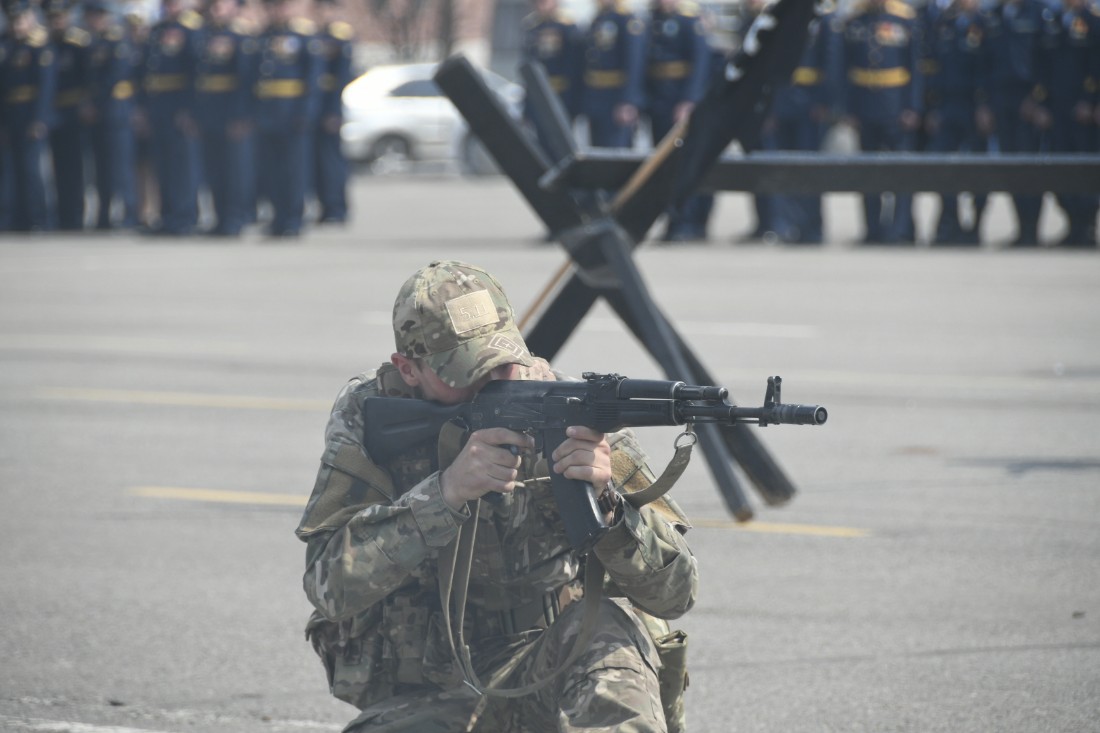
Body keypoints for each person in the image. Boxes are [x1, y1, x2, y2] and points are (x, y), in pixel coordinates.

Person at [296, 260, 697, 733]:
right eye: (466, 373)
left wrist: (608, 504)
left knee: (609, 626)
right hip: (431, 692)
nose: (493, 383)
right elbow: (329, 587)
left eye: (502, 362)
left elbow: (676, 594)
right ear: (408, 370)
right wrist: (443, 496)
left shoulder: (569, 409)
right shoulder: (369, 413)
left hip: (550, 671)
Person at [839, 0, 923, 245]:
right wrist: (848, 109)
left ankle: (901, 230)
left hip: (896, 106)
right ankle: (873, 229)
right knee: (868, 174)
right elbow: (846, 67)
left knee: (901, 173)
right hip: (864, 106)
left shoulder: (905, 18)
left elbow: (914, 68)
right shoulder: (855, 20)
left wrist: (913, 107)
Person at [923, 0, 993, 245]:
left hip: (975, 106)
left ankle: (976, 225)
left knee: (978, 170)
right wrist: (933, 107)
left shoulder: (986, 23)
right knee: (942, 166)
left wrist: (985, 105)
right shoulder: (945, 23)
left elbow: (990, 67)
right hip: (948, 105)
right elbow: (934, 68)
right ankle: (950, 221)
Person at [644, 0, 711, 242]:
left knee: (684, 162)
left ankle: (688, 222)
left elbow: (701, 62)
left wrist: (689, 100)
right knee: (664, 165)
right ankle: (673, 221)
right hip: (658, 101)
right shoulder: (653, 21)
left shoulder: (689, 21)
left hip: (679, 101)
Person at [254, 0, 321, 238]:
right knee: (271, 171)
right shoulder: (261, 38)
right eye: (271, 7)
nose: (276, 11)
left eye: (280, 6)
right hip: (267, 115)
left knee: (293, 171)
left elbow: (312, 80)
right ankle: (277, 218)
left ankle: (293, 220)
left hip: (292, 114)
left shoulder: (303, 37)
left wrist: (305, 113)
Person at [141, 0, 203, 235]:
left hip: (179, 106)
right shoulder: (157, 30)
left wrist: (189, 110)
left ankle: (184, 216)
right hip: (158, 106)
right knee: (163, 164)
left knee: (182, 166)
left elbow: (196, 73)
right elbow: (147, 71)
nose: (170, 7)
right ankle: (166, 216)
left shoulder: (191, 29)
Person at [195, 0, 256, 237]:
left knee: (234, 171)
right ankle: (219, 218)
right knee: (214, 170)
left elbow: (246, 81)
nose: (216, 8)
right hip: (210, 112)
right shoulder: (205, 35)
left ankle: (235, 219)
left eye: (222, 3)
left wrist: (241, 117)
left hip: (232, 114)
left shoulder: (240, 37)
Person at [0, 0, 57, 232]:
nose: (17, 25)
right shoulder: (7, 46)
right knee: (10, 169)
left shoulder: (39, 47)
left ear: (30, 19)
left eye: (21, 20)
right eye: (14, 21)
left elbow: (46, 88)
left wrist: (39, 119)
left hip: (31, 115)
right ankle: (14, 217)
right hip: (11, 114)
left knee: (32, 169)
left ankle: (38, 218)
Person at [86, 0, 139, 230]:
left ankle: (130, 214)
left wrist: (93, 101)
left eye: (100, 15)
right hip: (99, 113)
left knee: (121, 167)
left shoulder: (118, 42)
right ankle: (104, 216)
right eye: (92, 15)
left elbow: (113, 78)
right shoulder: (95, 42)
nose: (96, 20)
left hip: (117, 111)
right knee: (102, 168)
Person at [44, 0, 91, 231]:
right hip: (53, 112)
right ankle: (61, 215)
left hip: (73, 112)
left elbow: (88, 78)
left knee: (74, 168)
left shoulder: (78, 44)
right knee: (56, 168)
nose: (57, 22)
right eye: (53, 18)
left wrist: (86, 104)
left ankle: (74, 216)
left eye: (60, 18)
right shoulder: (47, 45)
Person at [520, 0, 583, 159]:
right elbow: (528, 71)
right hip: (538, 97)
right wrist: (526, 107)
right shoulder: (532, 27)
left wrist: (574, 103)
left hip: (561, 96)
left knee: (562, 147)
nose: (542, 6)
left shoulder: (568, 27)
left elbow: (574, 69)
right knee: (542, 148)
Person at [581, 0, 646, 148]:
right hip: (597, 98)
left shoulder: (627, 20)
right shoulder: (598, 18)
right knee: (598, 152)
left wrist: (628, 101)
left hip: (616, 98)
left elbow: (634, 63)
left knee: (617, 151)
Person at [311, 0, 352, 225]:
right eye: (321, 8)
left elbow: (342, 79)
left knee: (331, 161)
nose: (324, 13)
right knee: (318, 162)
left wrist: (334, 112)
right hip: (316, 105)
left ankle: (337, 208)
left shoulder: (341, 37)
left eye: (329, 8)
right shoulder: (317, 36)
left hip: (330, 106)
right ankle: (325, 206)